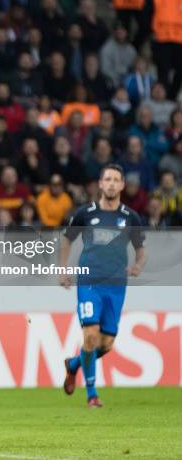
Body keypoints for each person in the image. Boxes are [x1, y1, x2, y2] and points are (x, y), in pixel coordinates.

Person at [60, 164, 145, 408]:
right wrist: (63, 268)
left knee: (106, 344)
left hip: (117, 286)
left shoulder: (131, 217)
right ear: (100, 183)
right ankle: (92, 395)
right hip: (89, 282)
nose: (110, 183)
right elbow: (66, 240)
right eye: (107, 179)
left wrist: (138, 265)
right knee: (91, 337)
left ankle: (74, 364)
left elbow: (141, 250)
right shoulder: (85, 213)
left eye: (115, 180)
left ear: (121, 186)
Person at [150, 0, 182, 99]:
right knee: (163, 71)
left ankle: (171, 96)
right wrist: (151, 32)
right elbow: (148, 14)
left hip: (179, 41)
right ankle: (163, 96)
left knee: (180, 71)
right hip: (161, 40)